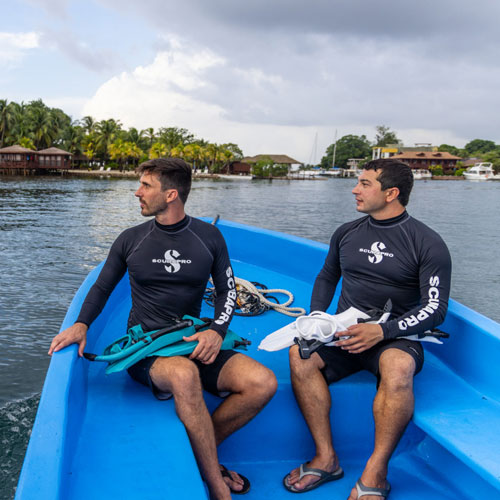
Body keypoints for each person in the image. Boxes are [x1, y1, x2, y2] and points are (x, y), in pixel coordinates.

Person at [49, 158, 277, 500]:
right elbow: (102, 287)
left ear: (171, 194)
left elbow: (228, 290)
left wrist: (216, 331)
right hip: (148, 348)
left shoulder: (208, 237)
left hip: (192, 337)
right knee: (184, 375)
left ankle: (202, 451)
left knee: (263, 382)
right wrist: (81, 325)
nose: (137, 192)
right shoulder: (132, 239)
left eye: (146, 186)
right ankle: (216, 482)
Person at [284, 159, 452, 499]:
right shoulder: (347, 232)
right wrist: (319, 318)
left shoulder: (427, 243)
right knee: (299, 355)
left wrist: (384, 331)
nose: (354, 189)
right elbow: (328, 275)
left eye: (364, 184)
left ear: (391, 193)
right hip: (344, 334)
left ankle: (376, 472)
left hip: (395, 337)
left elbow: (435, 309)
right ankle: (326, 457)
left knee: (399, 367)